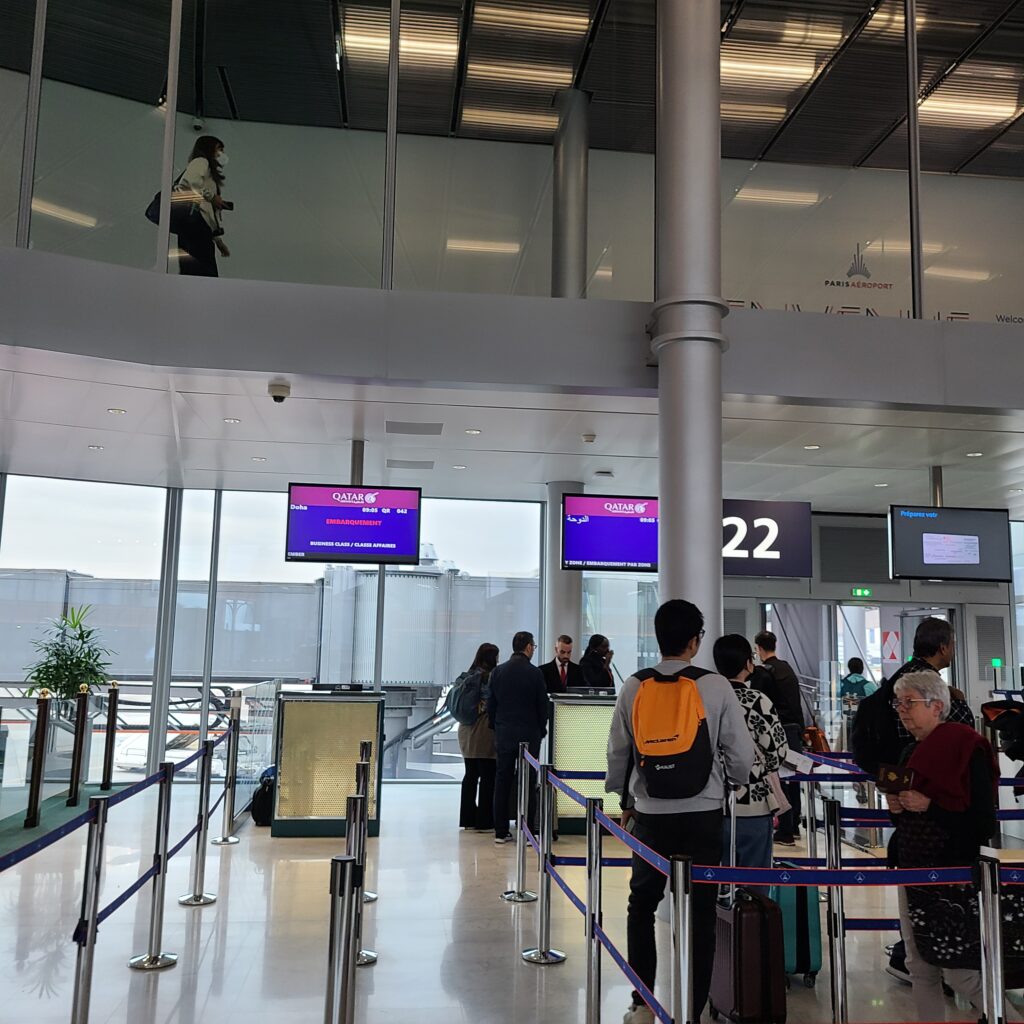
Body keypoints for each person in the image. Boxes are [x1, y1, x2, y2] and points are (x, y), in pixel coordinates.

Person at [606, 600, 756, 1024]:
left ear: (657, 637)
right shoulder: (716, 686)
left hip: (650, 813)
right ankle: (693, 1007)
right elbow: (739, 753)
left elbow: (619, 751)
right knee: (702, 912)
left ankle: (642, 1001)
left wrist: (624, 798)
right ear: (695, 641)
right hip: (703, 812)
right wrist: (736, 781)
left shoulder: (634, 685)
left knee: (642, 903)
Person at [885, 672, 1020, 1021]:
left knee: (959, 970)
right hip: (911, 868)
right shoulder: (910, 750)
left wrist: (930, 806)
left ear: (936, 705)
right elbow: (907, 822)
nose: (902, 710)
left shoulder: (966, 747)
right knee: (919, 965)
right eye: (898, 703)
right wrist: (899, 809)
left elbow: (982, 823)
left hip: (952, 873)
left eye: (909, 702)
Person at [850, 615, 976, 983]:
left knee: (915, 880)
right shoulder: (932, 688)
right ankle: (938, 961)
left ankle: (915, 956)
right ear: (942, 647)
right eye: (951, 644)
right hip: (934, 803)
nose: (906, 713)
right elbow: (963, 738)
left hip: (900, 789)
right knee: (939, 886)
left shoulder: (898, 679)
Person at [712, 634, 789, 877]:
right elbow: (778, 753)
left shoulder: (708, 701)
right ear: (748, 664)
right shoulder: (758, 701)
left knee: (716, 882)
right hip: (753, 805)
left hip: (712, 802)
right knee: (754, 882)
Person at [488, 631, 549, 844]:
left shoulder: (498, 672)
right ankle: (528, 830)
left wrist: (496, 727)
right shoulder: (535, 673)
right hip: (529, 735)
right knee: (529, 781)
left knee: (502, 780)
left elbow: (491, 705)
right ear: (529, 647)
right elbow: (543, 706)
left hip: (504, 733)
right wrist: (541, 730)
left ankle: (500, 831)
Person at [753, 630, 805, 846]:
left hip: (778, 730)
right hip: (794, 729)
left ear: (758, 648)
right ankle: (793, 827)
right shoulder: (786, 667)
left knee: (779, 779)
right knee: (793, 779)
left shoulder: (765, 671)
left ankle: (784, 829)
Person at [175, 135, 231, 277]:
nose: (221, 153)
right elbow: (187, 185)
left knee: (198, 273)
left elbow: (207, 213)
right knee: (203, 274)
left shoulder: (206, 170)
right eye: (219, 149)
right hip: (195, 229)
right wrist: (212, 197)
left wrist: (217, 240)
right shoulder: (201, 162)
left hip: (199, 230)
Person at [457, 643, 499, 832]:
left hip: (466, 731)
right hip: (483, 732)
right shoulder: (489, 677)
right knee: (488, 776)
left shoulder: (466, 675)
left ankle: (467, 819)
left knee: (470, 775)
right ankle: (484, 820)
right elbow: (493, 703)